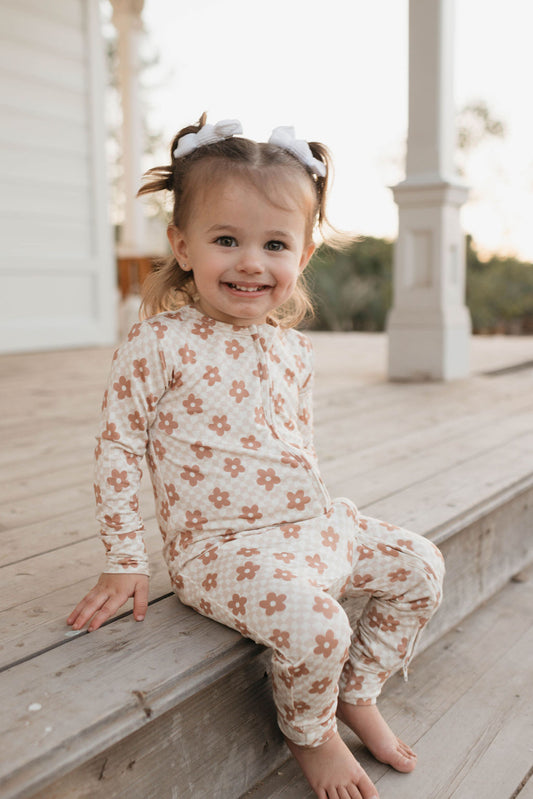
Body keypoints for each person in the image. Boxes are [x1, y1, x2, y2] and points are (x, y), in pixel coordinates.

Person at [68, 114, 445, 799]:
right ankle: (312, 730)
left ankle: (359, 690)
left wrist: (324, 535)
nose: (250, 261)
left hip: (308, 523)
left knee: (421, 564)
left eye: (274, 243)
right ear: (183, 246)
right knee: (320, 625)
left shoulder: (291, 349)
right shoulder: (159, 342)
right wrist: (125, 556)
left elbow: (292, 445)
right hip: (220, 549)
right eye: (225, 240)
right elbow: (119, 443)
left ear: (301, 256)